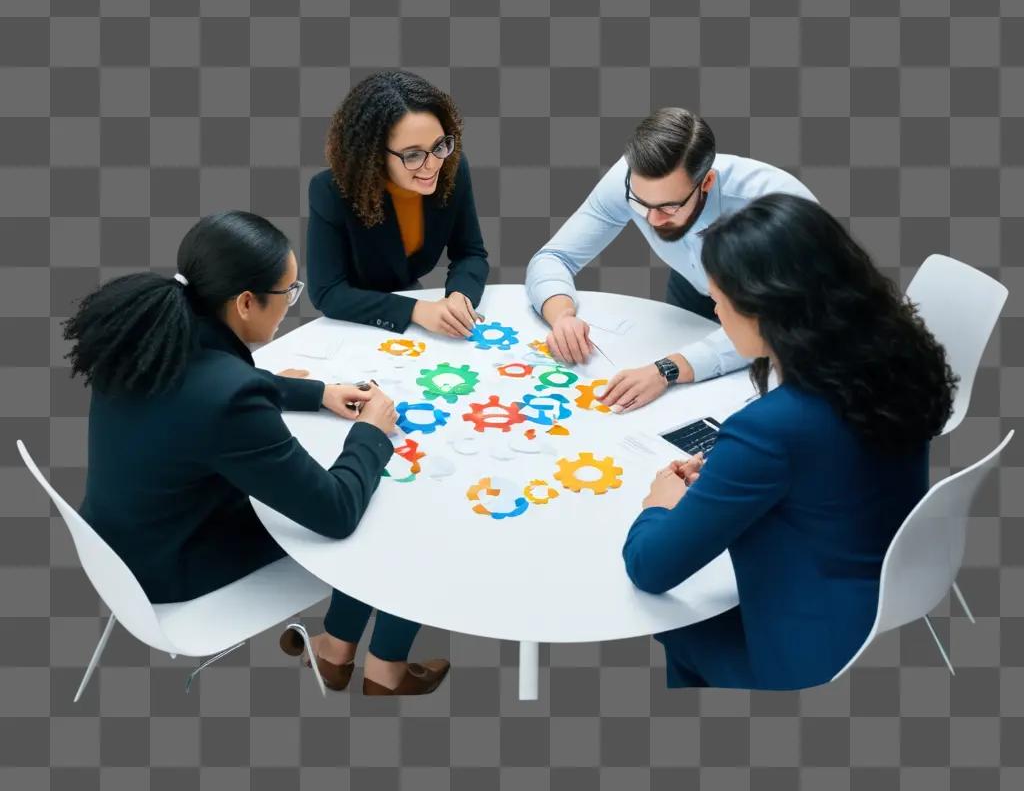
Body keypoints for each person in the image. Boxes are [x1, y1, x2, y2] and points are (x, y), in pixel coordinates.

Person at [67, 211, 450, 696]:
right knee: (391, 517)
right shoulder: (227, 398)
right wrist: (372, 433)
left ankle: (336, 649)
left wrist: (318, 393)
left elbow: (215, 381)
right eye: (288, 293)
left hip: (124, 546)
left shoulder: (145, 339)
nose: (292, 303)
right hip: (177, 574)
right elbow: (335, 513)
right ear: (247, 303)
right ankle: (384, 670)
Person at [622, 194, 957, 690]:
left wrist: (660, 505)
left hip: (807, 655)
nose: (714, 309)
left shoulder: (767, 430)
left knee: (679, 629)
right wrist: (735, 476)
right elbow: (820, 462)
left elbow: (650, 568)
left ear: (764, 310)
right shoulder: (897, 356)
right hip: (882, 598)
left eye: (720, 299)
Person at [525, 106, 816, 412]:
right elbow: (553, 257)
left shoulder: (776, 205)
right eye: (640, 203)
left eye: (668, 207)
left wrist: (667, 369)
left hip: (783, 313)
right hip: (691, 287)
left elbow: (774, 324)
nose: (652, 219)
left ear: (706, 183)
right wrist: (562, 315)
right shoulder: (629, 181)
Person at [307, 69, 489, 339]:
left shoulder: (453, 168)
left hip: (413, 305)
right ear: (375, 156)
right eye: (413, 155)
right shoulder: (330, 191)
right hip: (356, 318)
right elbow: (328, 293)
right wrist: (417, 310)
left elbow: (471, 253)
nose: (432, 165)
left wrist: (460, 295)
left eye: (439, 145)